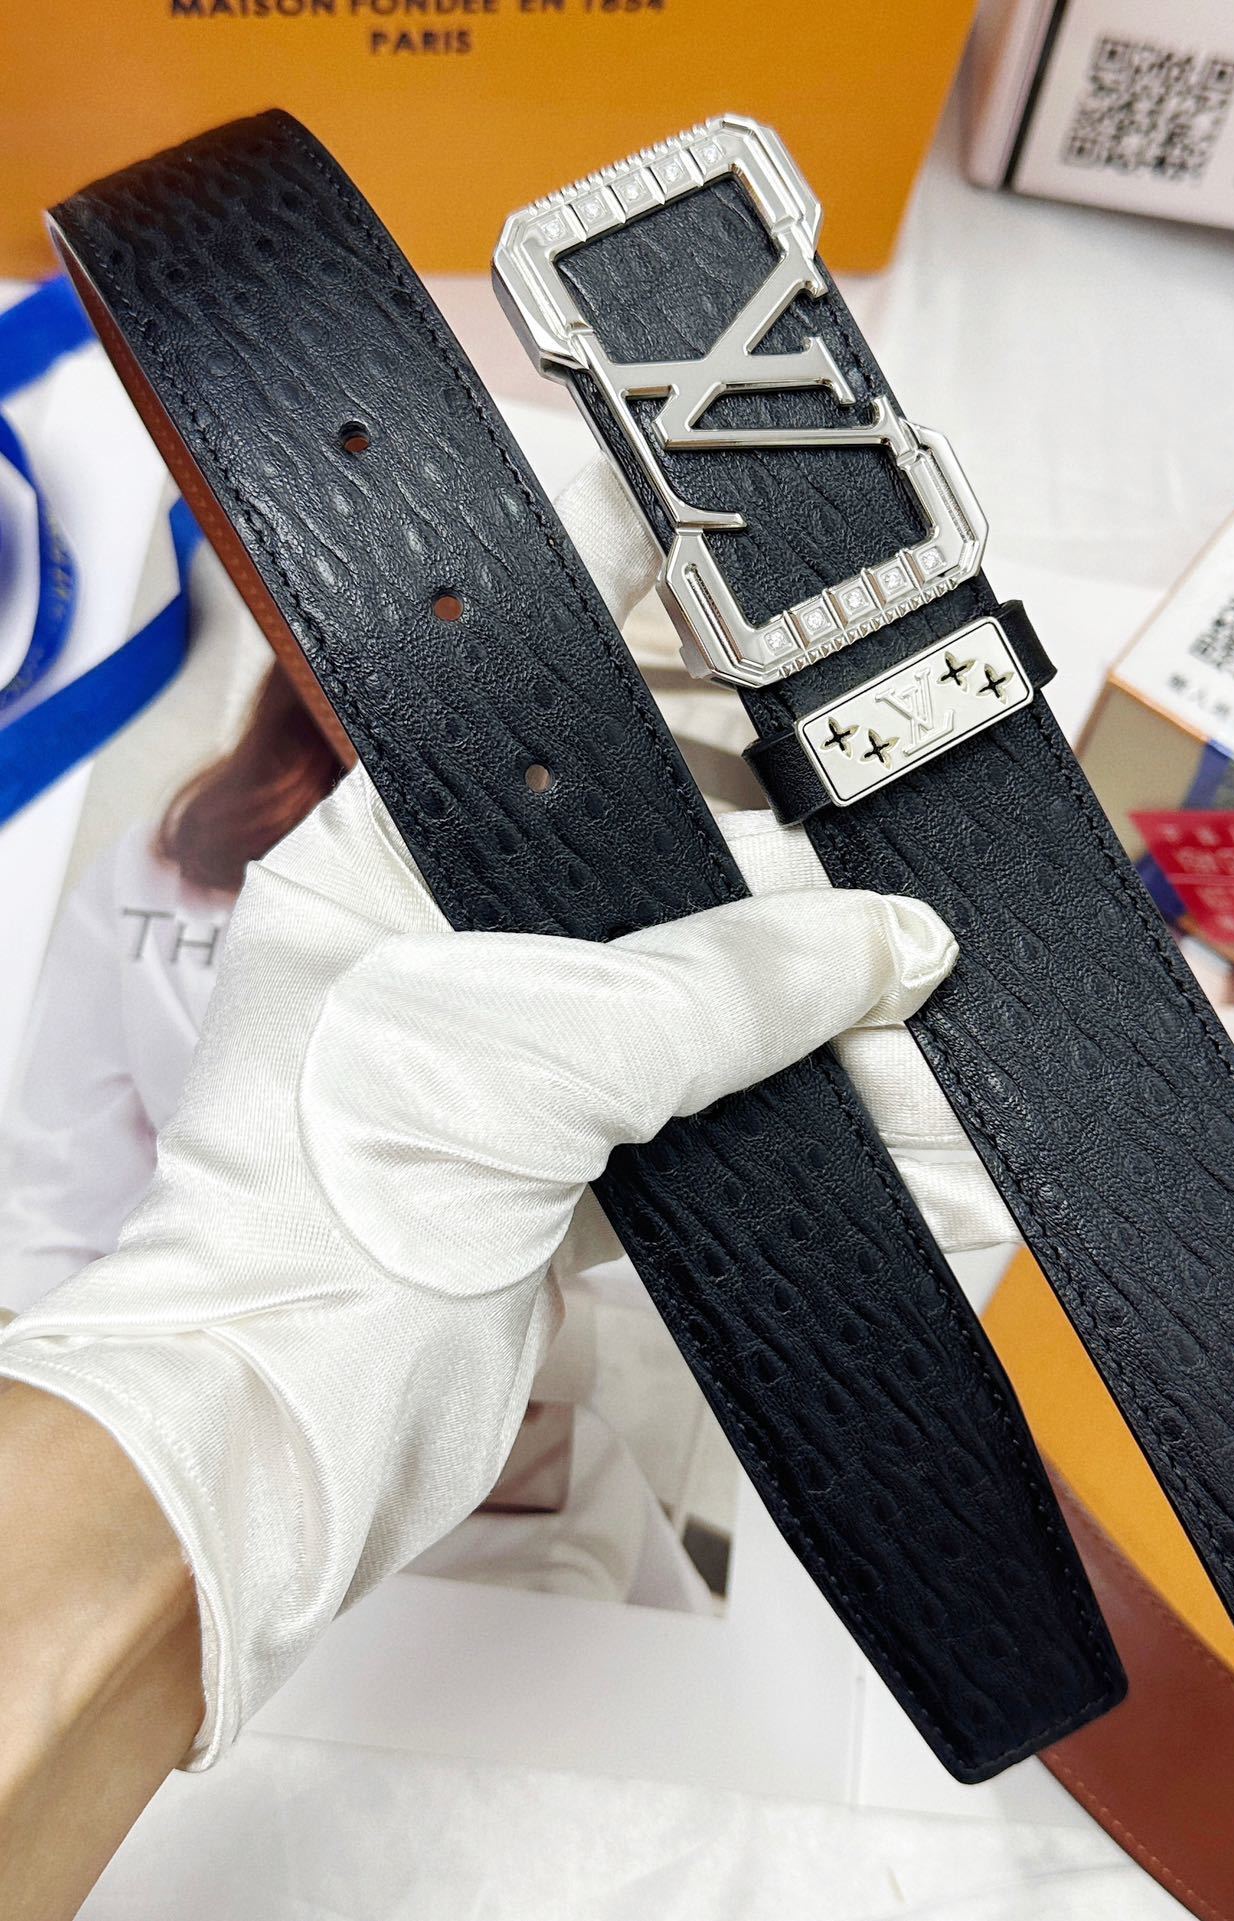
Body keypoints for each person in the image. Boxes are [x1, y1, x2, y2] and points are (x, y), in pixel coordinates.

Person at [0, 465, 1012, 1920]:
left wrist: (230, 1361)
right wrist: (249, 1348)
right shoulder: (160, 870)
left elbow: (55, 1177)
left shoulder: (189, 859)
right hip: (387, 1505)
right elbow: (54, 1178)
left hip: (447, 1448)